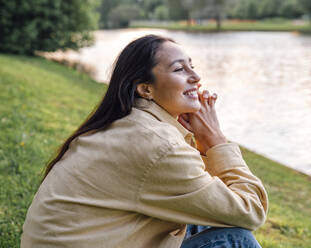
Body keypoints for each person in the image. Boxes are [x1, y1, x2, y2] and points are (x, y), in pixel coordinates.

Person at [21, 34, 268, 248]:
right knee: (236, 239)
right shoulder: (157, 143)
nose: (196, 77)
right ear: (145, 89)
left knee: (200, 218)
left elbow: (201, 190)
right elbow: (250, 211)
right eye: (179, 69)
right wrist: (215, 140)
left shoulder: (132, 124)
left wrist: (201, 143)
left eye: (191, 66)